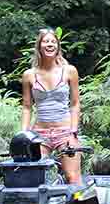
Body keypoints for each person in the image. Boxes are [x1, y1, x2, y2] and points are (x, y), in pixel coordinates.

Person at [21, 28, 82, 184]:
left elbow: (75, 103)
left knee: (72, 177)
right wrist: (24, 134)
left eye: (53, 42)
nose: (49, 45)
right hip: (40, 134)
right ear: (39, 46)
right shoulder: (29, 75)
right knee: (35, 177)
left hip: (65, 131)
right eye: (46, 41)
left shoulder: (69, 71)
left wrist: (73, 133)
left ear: (58, 46)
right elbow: (27, 107)